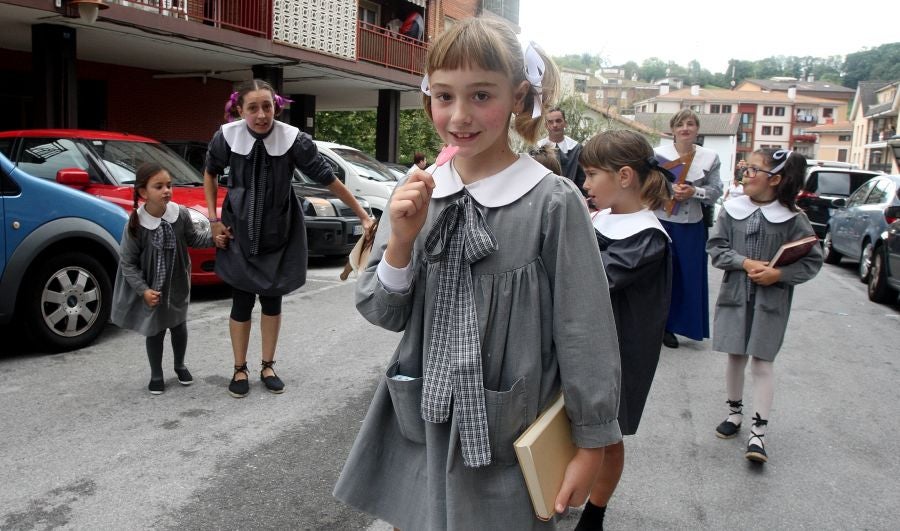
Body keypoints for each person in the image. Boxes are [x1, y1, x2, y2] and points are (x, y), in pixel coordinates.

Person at [333, 17, 622, 530]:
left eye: (481, 95)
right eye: (444, 96)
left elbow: (586, 330)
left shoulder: (552, 203)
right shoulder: (416, 193)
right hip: (420, 425)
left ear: (518, 98)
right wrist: (401, 241)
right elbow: (382, 311)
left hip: (506, 432)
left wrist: (592, 440)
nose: (460, 115)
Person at [203, 79, 374, 398]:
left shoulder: (294, 140)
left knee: (272, 300)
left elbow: (328, 179)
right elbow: (210, 173)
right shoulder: (226, 137)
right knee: (241, 302)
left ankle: (268, 366)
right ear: (240, 110)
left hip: (278, 230)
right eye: (253, 108)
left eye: (267, 107)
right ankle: (239, 369)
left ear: (276, 108)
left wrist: (363, 215)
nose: (261, 115)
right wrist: (213, 220)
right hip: (238, 230)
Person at [575, 130, 672, 530]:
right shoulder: (602, 217)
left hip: (616, 354)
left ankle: (594, 514)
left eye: (592, 174)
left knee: (606, 435)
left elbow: (595, 277)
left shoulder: (647, 237)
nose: (585, 184)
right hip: (584, 345)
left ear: (625, 176)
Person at [707, 149, 823, 463]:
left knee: (762, 362)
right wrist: (743, 262)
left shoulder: (794, 218)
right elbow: (716, 247)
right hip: (735, 295)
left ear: (775, 179)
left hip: (771, 301)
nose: (746, 174)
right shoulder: (732, 210)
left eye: (753, 169)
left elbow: (812, 260)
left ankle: (758, 432)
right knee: (735, 355)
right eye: (746, 168)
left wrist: (779, 274)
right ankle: (734, 414)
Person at [111, 162, 214, 395]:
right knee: (155, 331)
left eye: (169, 185)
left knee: (179, 326)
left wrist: (215, 238)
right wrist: (143, 290)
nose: (166, 190)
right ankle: (156, 374)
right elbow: (127, 263)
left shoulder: (180, 214)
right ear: (143, 192)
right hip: (152, 287)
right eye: (159, 186)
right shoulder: (136, 224)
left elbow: (194, 239)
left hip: (177, 282)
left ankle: (180, 366)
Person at [653, 109, 723, 348]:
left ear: (697, 129)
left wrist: (694, 192)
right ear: (673, 129)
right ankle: (660, 325)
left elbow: (716, 191)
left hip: (691, 225)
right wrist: (668, 190)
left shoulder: (710, 157)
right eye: (680, 124)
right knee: (661, 275)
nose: (685, 128)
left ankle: (678, 325)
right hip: (661, 221)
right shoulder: (657, 154)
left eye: (690, 124)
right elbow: (646, 185)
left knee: (688, 276)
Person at [537, 107, 587, 194]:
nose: (555, 125)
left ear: (565, 123)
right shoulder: (538, 148)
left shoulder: (576, 149)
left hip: (571, 196)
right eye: (550, 122)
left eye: (558, 121)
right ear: (546, 126)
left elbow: (582, 179)